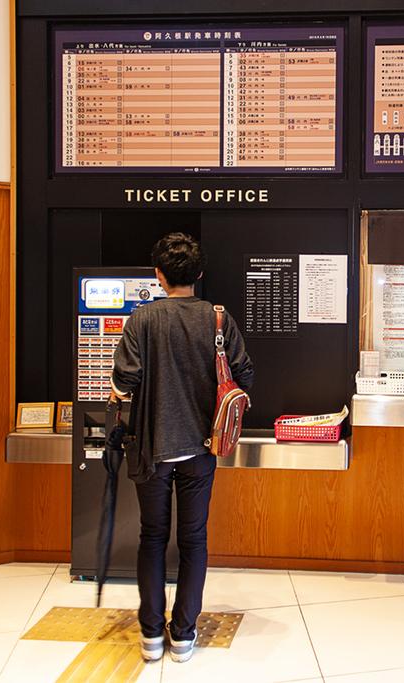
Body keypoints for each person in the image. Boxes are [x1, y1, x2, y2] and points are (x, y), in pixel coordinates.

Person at [110, 233, 254, 663]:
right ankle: (183, 635)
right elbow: (244, 374)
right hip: (202, 446)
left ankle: (151, 636)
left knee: (152, 537)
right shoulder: (217, 318)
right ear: (200, 274)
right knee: (193, 540)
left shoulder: (142, 320)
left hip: (152, 448)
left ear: (158, 275)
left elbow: (124, 381)